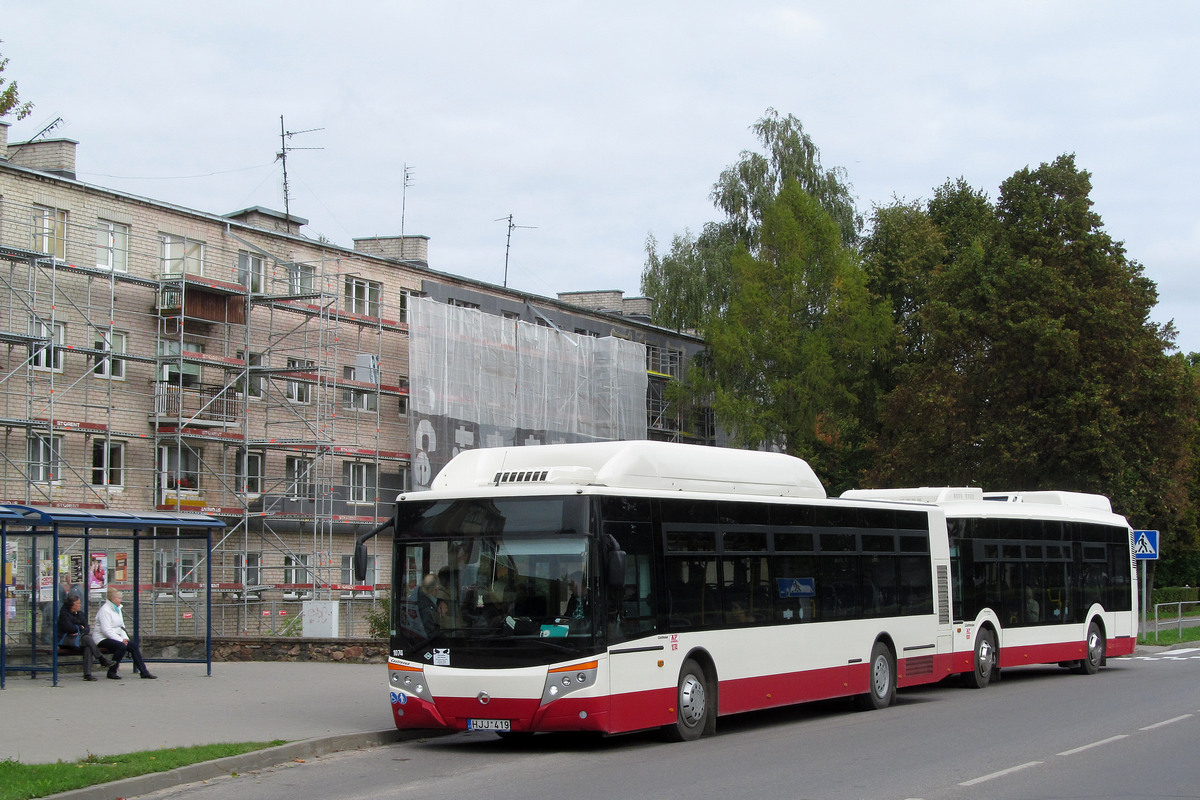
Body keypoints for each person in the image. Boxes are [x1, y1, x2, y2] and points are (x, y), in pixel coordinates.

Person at [95, 586, 156, 679]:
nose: (121, 600)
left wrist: (125, 638)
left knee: (133, 646)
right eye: (119, 598)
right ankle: (112, 671)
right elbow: (106, 630)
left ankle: (144, 672)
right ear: (112, 599)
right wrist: (120, 640)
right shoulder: (105, 610)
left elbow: (121, 626)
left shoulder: (117, 609)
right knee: (121, 646)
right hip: (102, 638)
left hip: (115, 637)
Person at [57, 593, 110, 681]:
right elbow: (70, 629)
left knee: (88, 646)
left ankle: (88, 674)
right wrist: (79, 627)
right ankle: (101, 659)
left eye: (80, 603)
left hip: (80, 640)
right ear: (71, 604)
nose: (79, 605)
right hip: (66, 641)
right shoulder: (64, 614)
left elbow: (87, 628)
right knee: (87, 639)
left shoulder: (80, 614)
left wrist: (78, 629)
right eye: (77, 603)